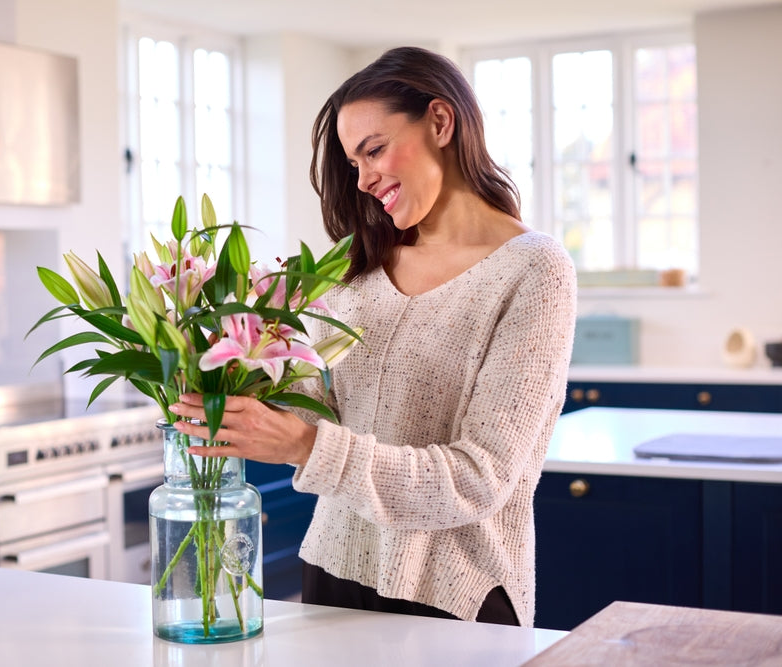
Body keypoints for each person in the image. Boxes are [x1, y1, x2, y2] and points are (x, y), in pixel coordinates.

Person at [169, 45, 577, 627]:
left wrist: (304, 448)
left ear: (441, 121)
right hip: (333, 573)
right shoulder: (354, 271)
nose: (363, 180)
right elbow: (324, 413)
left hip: (459, 597)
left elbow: (478, 478)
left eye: (375, 150)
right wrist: (220, 376)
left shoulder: (533, 270)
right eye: (353, 163)